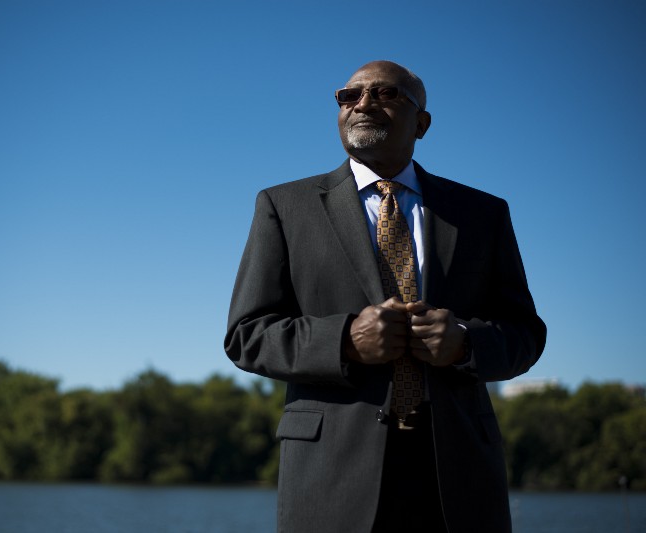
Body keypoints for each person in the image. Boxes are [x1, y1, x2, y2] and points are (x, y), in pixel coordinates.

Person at [224, 60, 546, 532]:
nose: (363, 104)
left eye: (385, 94)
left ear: (422, 123)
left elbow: (525, 334)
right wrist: (345, 341)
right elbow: (247, 335)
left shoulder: (483, 213)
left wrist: (464, 343)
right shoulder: (283, 206)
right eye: (349, 96)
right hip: (330, 476)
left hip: (459, 479)